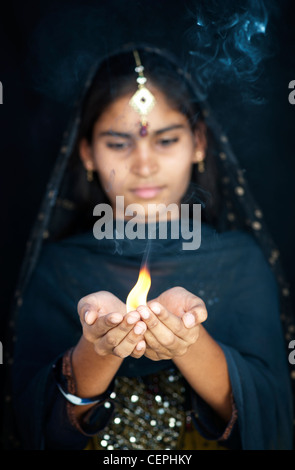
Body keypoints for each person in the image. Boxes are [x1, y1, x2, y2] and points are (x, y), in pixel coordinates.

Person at [4, 44, 294, 450]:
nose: (144, 164)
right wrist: (98, 348)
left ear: (198, 143)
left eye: (166, 140)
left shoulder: (239, 263)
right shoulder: (60, 269)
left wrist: (190, 343)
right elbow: (29, 428)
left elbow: (275, 421)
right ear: (87, 153)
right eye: (119, 143)